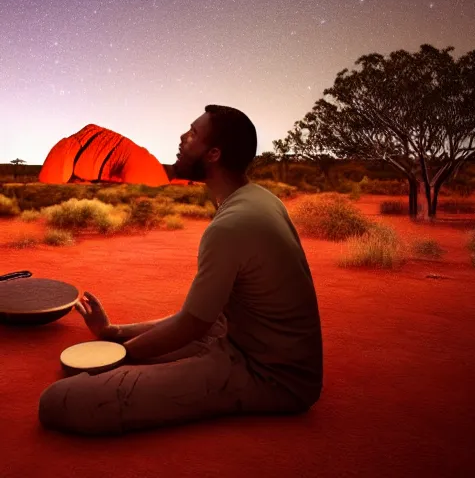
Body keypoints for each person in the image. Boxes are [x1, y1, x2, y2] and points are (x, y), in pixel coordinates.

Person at [38, 105, 323, 435]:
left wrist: (115, 354)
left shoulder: (231, 225)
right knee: (185, 333)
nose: (182, 138)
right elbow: (202, 318)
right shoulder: (259, 199)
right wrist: (113, 333)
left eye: (193, 134)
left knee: (61, 399)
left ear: (213, 154)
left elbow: (191, 325)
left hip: (270, 375)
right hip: (242, 339)